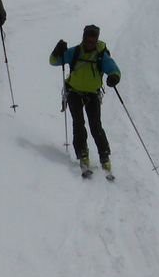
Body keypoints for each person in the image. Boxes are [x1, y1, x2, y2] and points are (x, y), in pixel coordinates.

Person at [49, 24, 122, 176]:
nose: (90, 41)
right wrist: (57, 51)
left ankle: (104, 155)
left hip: (93, 94)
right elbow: (54, 61)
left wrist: (114, 76)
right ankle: (82, 153)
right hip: (73, 92)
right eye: (88, 38)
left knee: (95, 125)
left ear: (96, 39)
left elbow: (113, 68)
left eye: (93, 39)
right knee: (78, 122)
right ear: (84, 38)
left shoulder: (101, 55)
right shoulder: (75, 51)